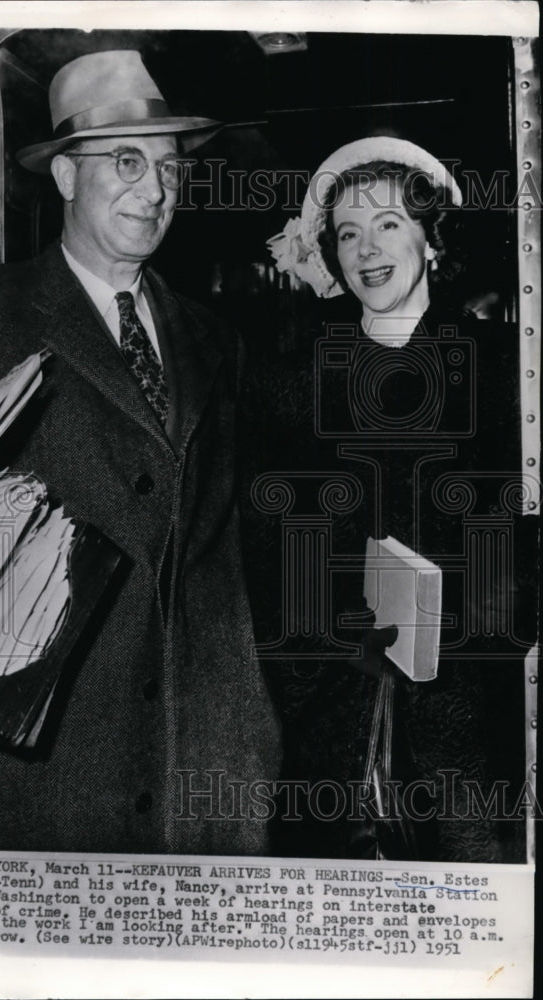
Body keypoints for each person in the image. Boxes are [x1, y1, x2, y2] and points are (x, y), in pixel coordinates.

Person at [0, 50, 280, 854]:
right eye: (126, 161)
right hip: (19, 776)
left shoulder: (216, 341)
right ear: (67, 177)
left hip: (194, 769)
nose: (154, 190)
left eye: (169, 168)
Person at [242, 136, 537, 861]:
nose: (366, 249)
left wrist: (474, 622)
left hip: (466, 714)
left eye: (389, 224)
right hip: (330, 715)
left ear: (431, 239)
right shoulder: (293, 380)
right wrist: (331, 634)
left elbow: (527, 536)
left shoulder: (507, 369)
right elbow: (262, 548)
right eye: (347, 232)